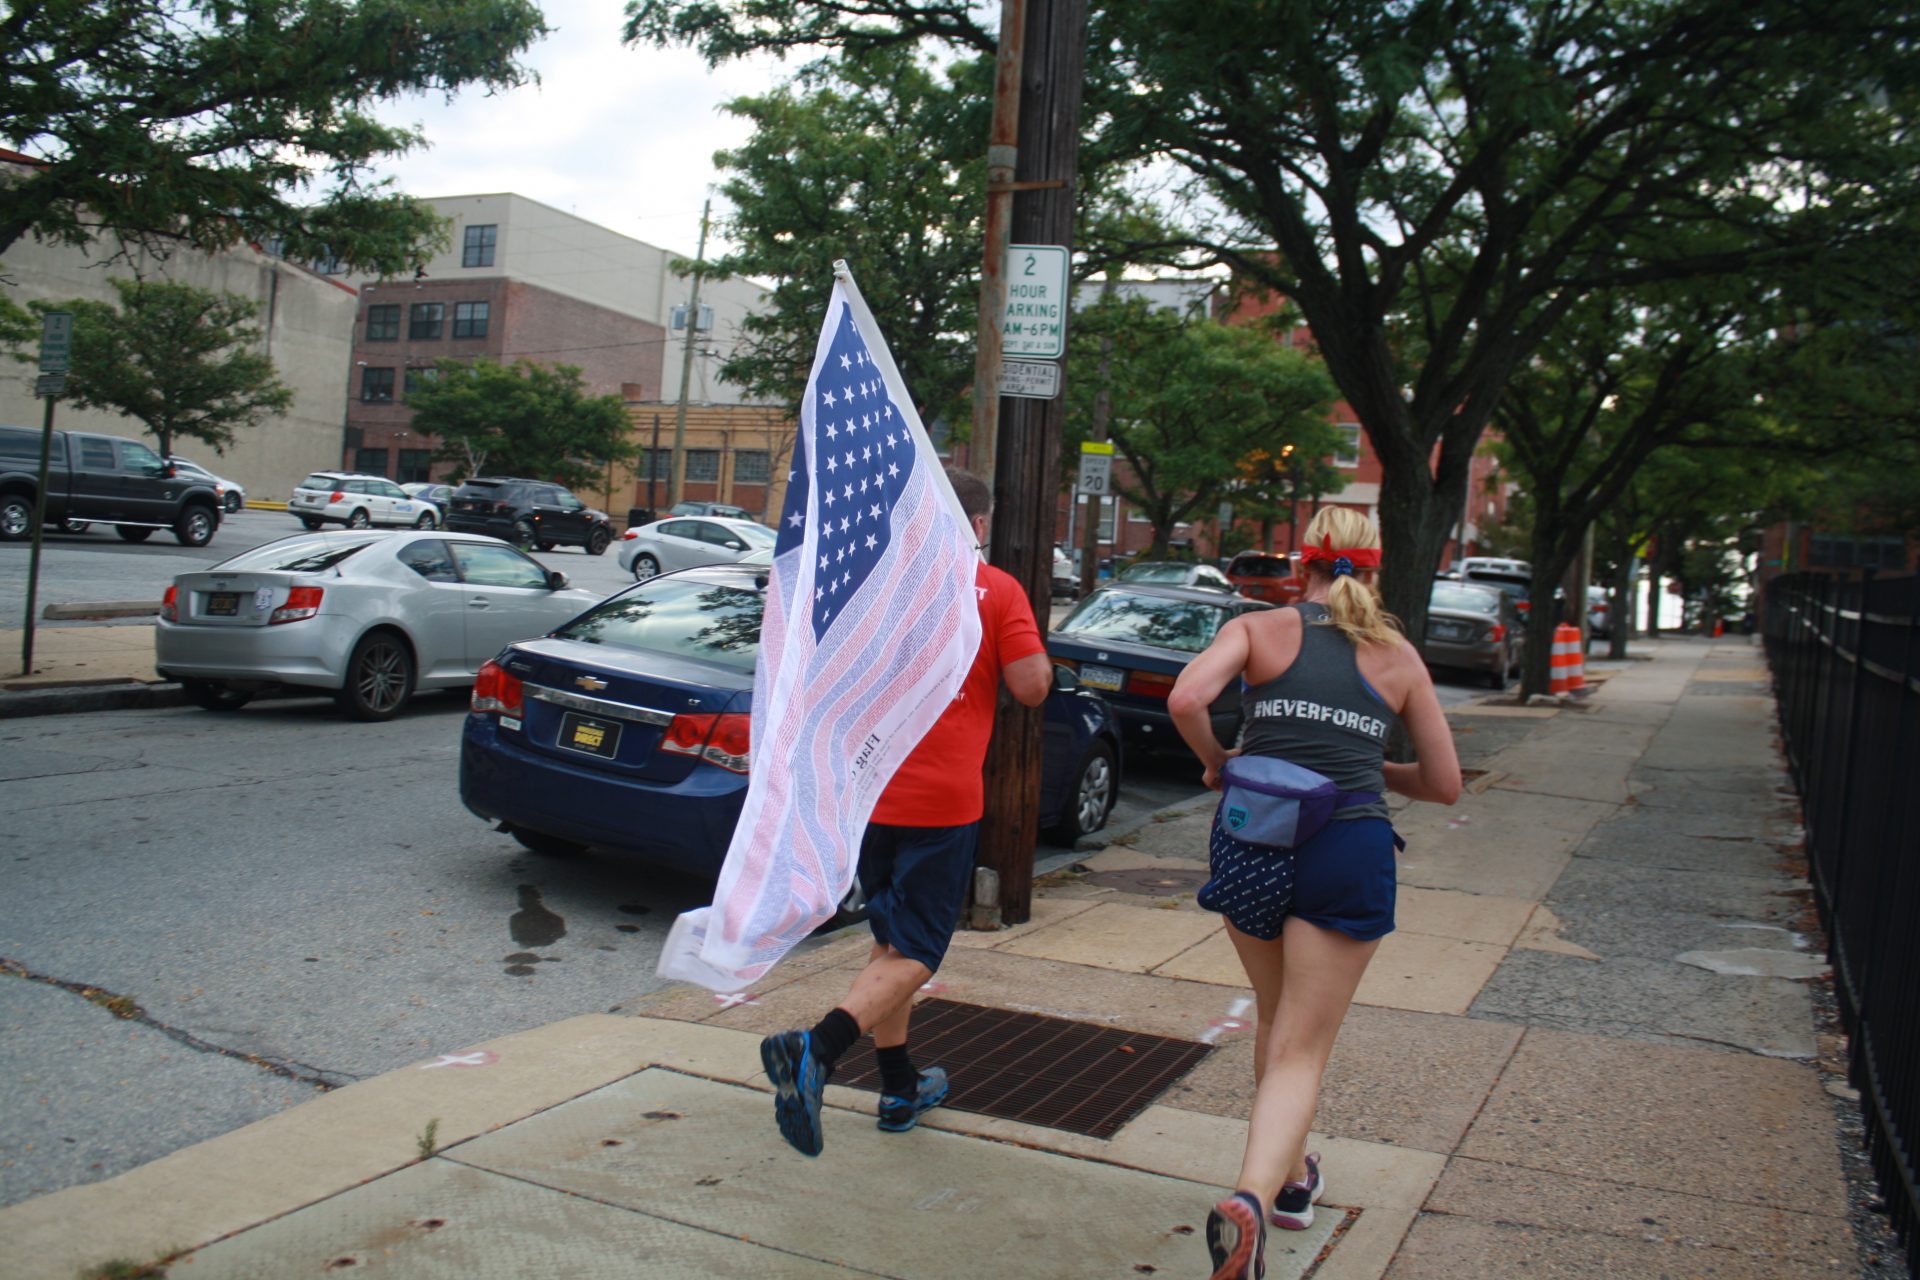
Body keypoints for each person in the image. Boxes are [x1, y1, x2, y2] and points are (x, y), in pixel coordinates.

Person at [1166, 507, 1461, 1280]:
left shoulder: (1261, 630)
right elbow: (1444, 784)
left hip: (1252, 839)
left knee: (1276, 1021)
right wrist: (1365, 767)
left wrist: (1218, 764)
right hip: (1346, 847)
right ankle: (1255, 1201)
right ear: (1375, 566)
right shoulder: (1396, 656)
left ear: (1306, 564)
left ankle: (1294, 1182)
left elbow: (1186, 698)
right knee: (1301, 1045)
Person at [759, 468, 1054, 1157]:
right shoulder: (996, 590)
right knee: (920, 949)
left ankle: (899, 1085)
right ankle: (818, 1048)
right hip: (942, 803)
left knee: (890, 942)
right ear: (978, 524)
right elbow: (1031, 687)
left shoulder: (880, 584)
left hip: (870, 793)